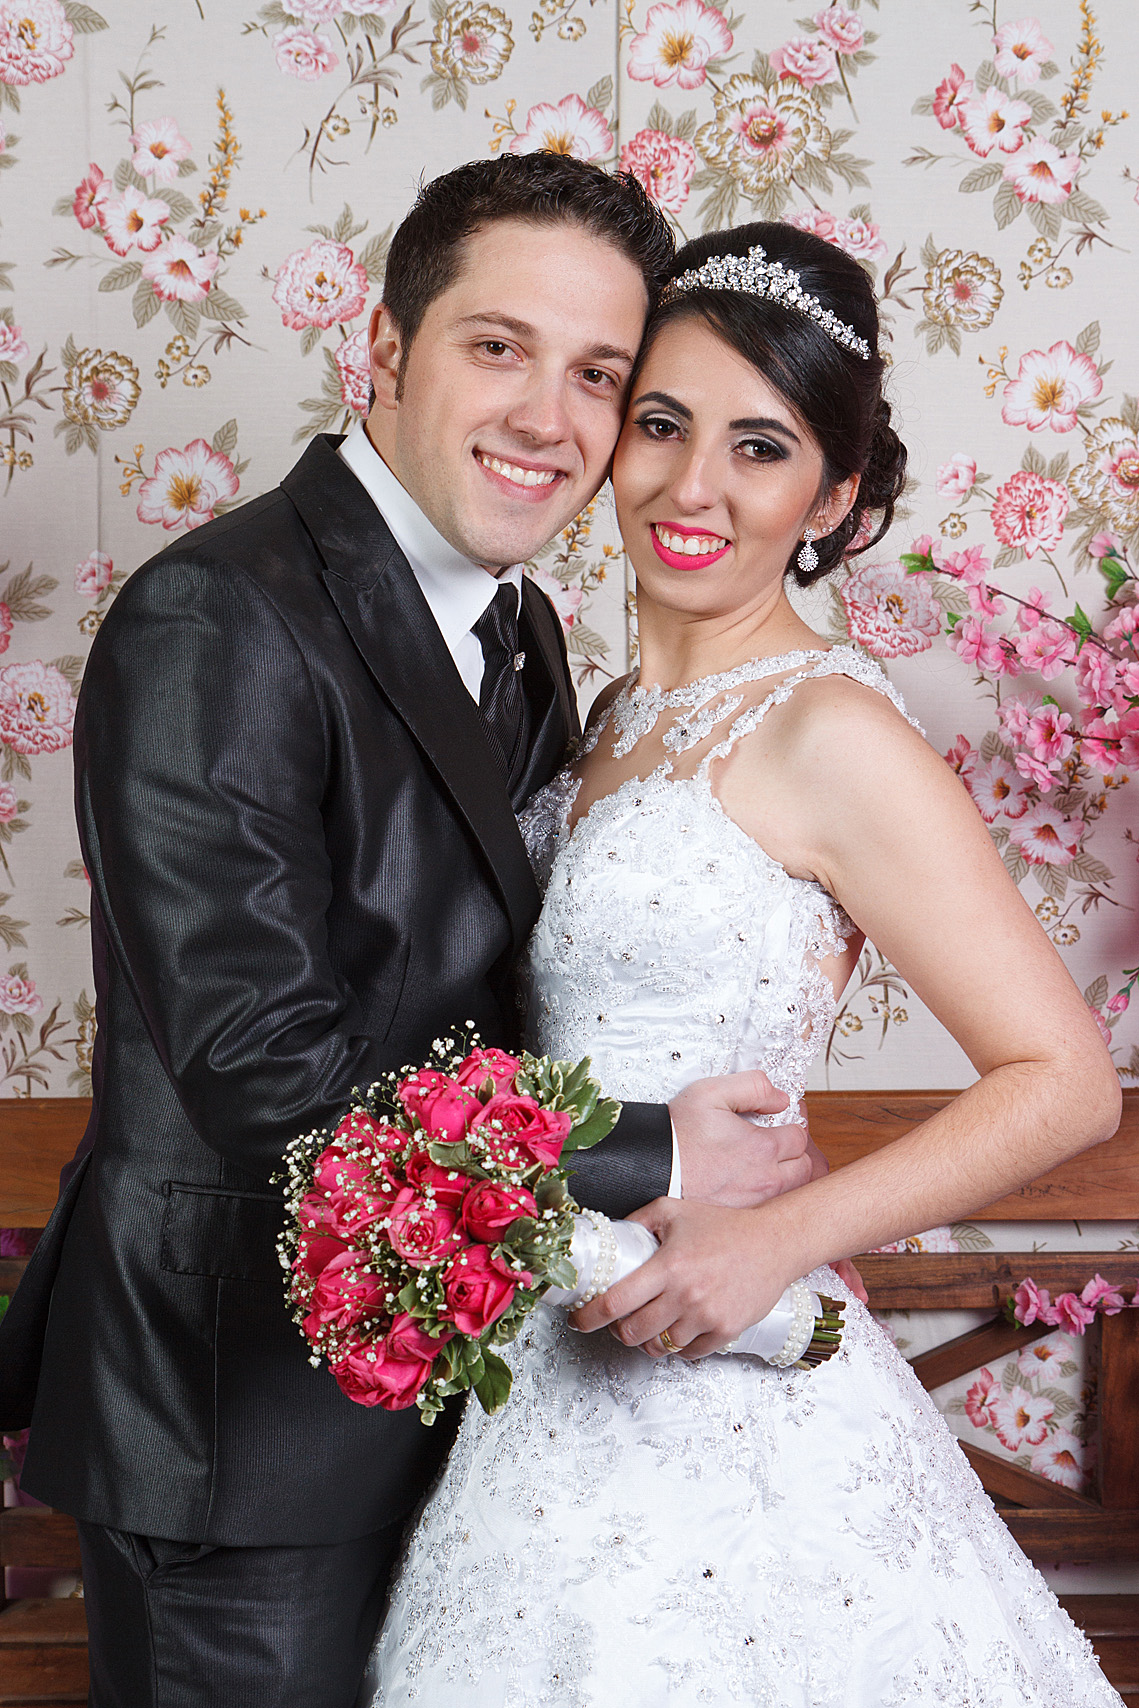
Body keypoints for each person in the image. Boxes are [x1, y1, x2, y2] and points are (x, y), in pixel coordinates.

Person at [0, 164, 818, 1707]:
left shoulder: (517, 625)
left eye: (597, 376)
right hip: (240, 1426)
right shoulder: (219, 617)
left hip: (466, 1397)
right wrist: (652, 1157)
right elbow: (261, 1070)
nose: (548, 420)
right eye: (497, 348)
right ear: (382, 347)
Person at [367, 223, 1124, 1705]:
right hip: (549, 1370)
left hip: (729, 1380)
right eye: (659, 423)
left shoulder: (830, 733)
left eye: (759, 448)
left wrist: (771, 1242)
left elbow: (1065, 1084)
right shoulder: (594, 718)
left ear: (832, 496)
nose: (690, 486)